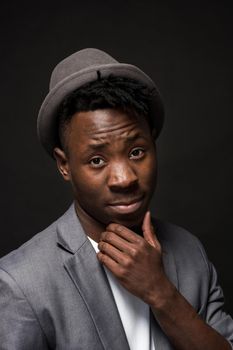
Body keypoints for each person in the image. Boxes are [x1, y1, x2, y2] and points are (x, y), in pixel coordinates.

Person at [0, 48, 232, 350]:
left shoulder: (190, 254)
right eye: (97, 160)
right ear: (64, 165)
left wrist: (162, 294)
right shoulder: (22, 283)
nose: (125, 179)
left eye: (137, 152)